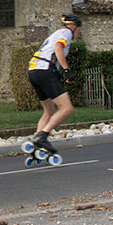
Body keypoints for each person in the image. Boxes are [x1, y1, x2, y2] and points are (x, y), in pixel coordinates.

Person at [26, 13, 81, 154]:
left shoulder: (56, 33)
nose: (79, 32)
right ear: (74, 26)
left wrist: (60, 73)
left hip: (34, 70)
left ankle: (35, 144)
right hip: (45, 70)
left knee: (49, 111)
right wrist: (67, 70)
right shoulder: (66, 32)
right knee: (67, 108)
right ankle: (43, 137)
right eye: (79, 29)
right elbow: (58, 48)